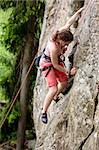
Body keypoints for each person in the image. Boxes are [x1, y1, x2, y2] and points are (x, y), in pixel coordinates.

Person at [39, 7, 84, 124]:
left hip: (56, 62)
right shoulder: (53, 48)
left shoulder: (61, 32)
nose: (67, 46)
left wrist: (78, 13)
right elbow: (55, 65)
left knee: (64, 82)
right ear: (61, 40)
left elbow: (68, 23)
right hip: (48, 65)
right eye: (66, 44)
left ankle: (55, 96)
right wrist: (68, 72)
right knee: (53, 88)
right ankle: (43, 112)